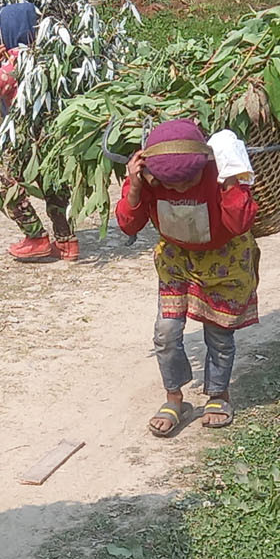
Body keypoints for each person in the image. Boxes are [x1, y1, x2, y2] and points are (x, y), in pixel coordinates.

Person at [115, 118, 260, 438]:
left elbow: (240, 223)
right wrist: (136, 188)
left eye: (188, 181)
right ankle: (175, 398)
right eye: (171, 185)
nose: (180, 189)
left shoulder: (221, 169)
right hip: (176, 261)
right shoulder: (148, 176)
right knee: (165, 333)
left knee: (219, 335)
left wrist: (232, 181)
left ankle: (218, 394)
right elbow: (128, 225)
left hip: (224, 260)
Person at [0, 0, 78, 262]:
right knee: (53, 185)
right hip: (49, 134)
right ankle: (67, 242)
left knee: (9, 187)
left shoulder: (13, 66)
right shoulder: (49, 57)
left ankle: (36, 238)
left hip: (21, 138)